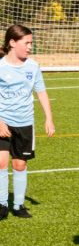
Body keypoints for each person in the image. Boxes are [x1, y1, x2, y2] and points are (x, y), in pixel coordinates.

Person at [0, 24, 55, 220]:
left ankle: (19, 205)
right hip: (3, 122)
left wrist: (49, 118)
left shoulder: (33, 66)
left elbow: (41, 92)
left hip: (25, 123)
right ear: (12, 43)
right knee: (1, 162)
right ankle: (2, 204)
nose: (30, 47)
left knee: (20, 165)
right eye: (27, 43)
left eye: (31, 43)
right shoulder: (0, 66)